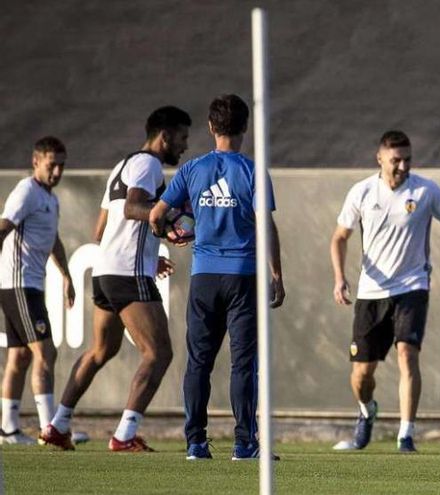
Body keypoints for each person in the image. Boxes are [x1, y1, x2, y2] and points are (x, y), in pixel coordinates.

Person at [40, 106, 191, 452]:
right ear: (164, 136)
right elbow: (133, 208)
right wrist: (166, 227)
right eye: (181, 138)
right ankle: (124, 434)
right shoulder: (149, 165)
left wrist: (147, 257)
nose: (184, 146)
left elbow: (101, 228)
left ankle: (58, 425)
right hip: (126, 272)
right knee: (159, 353)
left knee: (101, 350)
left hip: (108, 269)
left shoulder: (122, 166)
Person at [149, 94, 285, 461]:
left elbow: (156, 215)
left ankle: (195, 442)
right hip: (243, 277)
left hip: (204, 277)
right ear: (244, 128)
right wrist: (277, 275)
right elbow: (265, 225)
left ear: (211, 127)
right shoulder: (254, 171)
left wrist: (170, 236)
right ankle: (244, 444)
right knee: (244, 363)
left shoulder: (193, 170)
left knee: (199, 362)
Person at [330, 130, 440, 453]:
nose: (402, 166)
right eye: (396, 160)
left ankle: (406, 434)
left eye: (408, 159)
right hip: (371, 292)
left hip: (413, 286)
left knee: (407, 354)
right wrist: (340, 278)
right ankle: (366, 410)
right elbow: (339, 237)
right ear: (380, 159)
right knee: (361, 375)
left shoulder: (425, 191)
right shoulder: (362, 192)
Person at [0, 137, 75, 445]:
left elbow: (52, 239)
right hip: (19, 284)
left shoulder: (49, 198)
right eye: (51, 164)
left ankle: (8, 429)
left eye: (61, 165)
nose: (56, 171)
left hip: (30, 284)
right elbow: (4, 227)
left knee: (19, 357)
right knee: (46, 352)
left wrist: (67, 275)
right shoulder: (26, 192)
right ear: (36, 162)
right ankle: (50, 429)